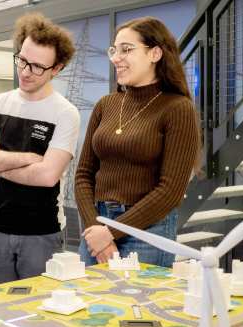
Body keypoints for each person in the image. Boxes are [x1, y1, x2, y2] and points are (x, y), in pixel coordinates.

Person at [75, 16, 199, 268]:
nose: (115, 58)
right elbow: (83, 175)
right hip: (97, 225)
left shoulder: (177, 108)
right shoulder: (106, 105)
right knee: (93, 305)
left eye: (126, 50)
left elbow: (170, 191)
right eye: (114, 50)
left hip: (148, 231)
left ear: (155, 53)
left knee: (138, 306)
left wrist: (111, 232)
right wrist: (95, 227)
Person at [0, 13, 80, 286]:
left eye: (38, 67)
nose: (26, 71)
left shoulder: (65, 113)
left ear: (57, 68)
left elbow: (46, 177)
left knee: (38, 318)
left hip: (40, 235)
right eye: (22, 60)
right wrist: (25, 159)